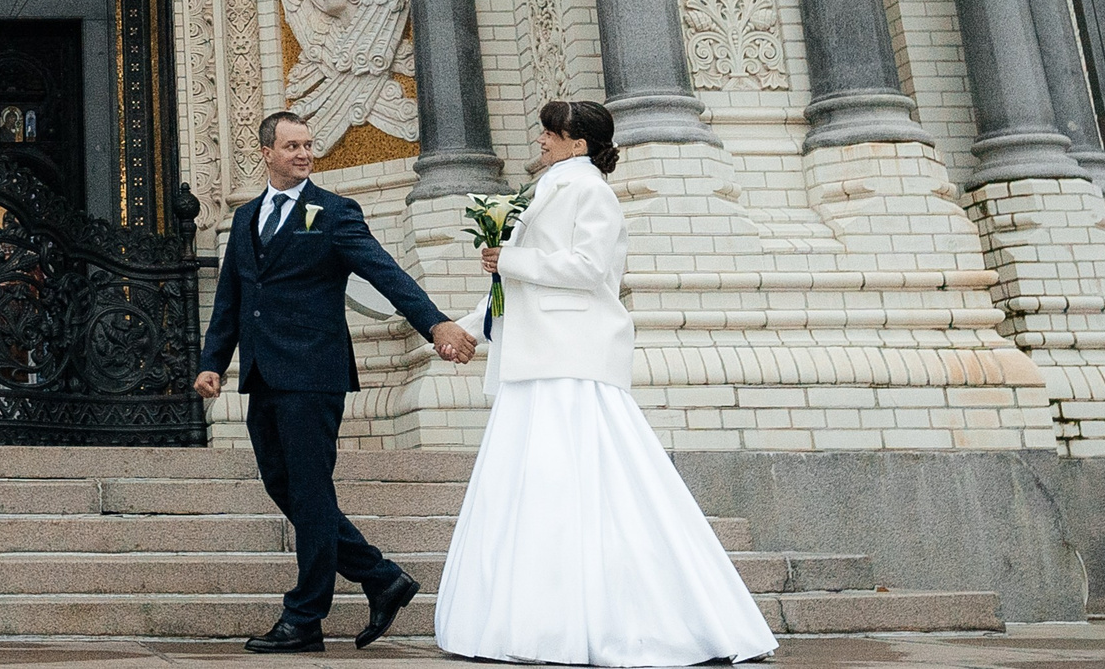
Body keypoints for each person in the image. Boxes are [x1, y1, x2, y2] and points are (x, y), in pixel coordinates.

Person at [433, 100, 777, 666]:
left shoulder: (590, 191)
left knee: (576, 482)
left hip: (570, 359)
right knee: (535, 488)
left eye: (552, 132)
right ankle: (537, 620)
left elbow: (589, 269)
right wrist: (465, 329)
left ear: (579, 144)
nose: (541, 139)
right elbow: (515, 287)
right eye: (544, 130)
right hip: (538, 360)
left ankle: (597, 622)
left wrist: (511, 260)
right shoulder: (547, 191)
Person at [195, 111, 478, 654]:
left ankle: (305, 618)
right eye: (292, 146)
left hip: (313, 372)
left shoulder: (334, 212)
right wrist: (213, 362)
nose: (304, 154)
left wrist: (436, 324)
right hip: (261, 373)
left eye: (308, 145)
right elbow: (231, 298)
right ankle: (380, 577)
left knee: (309, 489)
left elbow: (384, 271)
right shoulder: (247, 217)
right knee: (286, 486)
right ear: (267, 153)